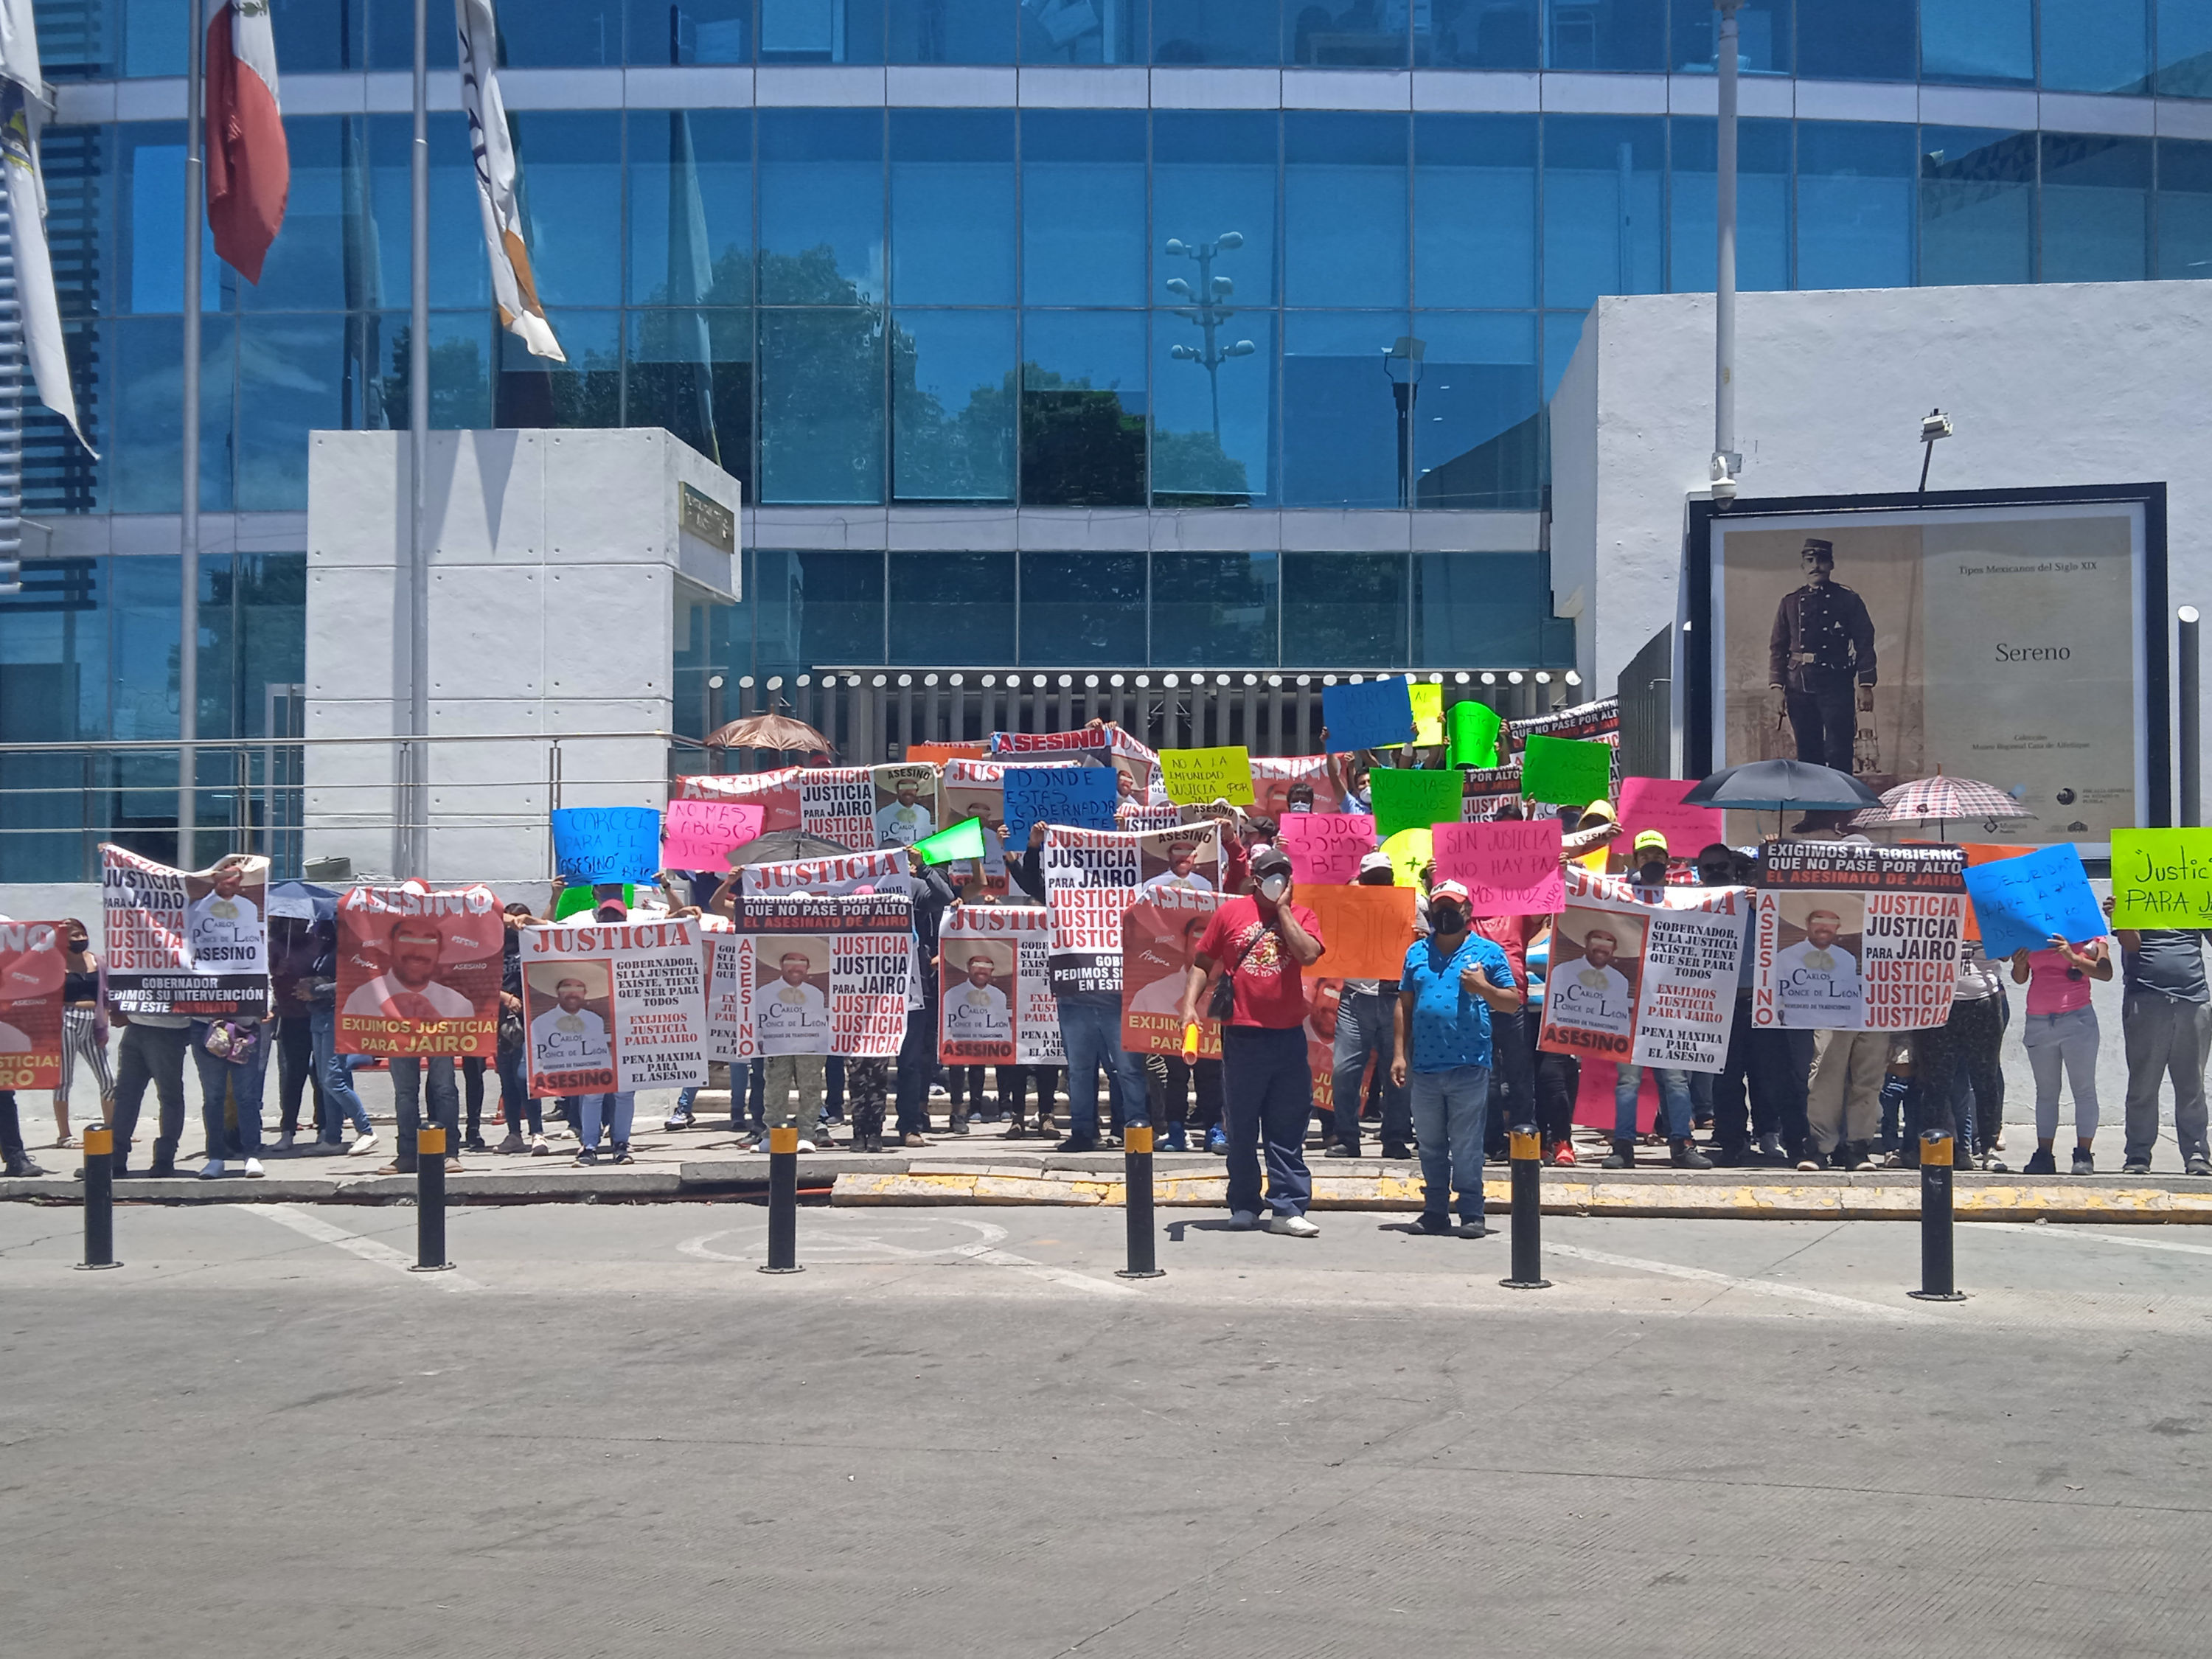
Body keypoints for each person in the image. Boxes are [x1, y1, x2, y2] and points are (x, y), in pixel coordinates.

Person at [1178, 845, 1328, 1236]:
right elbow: (1202, 962)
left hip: (1288, 1036)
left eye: (1283, 872)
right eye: (1270, 873)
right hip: (1242, 1034)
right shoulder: (1230, 913)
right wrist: (1189, 1007)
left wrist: (1282, 911)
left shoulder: (1302, 915)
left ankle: (1287, 1207)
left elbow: (1309, 955)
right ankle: (1244, 1203)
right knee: (1242, 1126)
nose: (1277, 879)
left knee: (1287, 1125)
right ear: (1255, 879)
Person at [1391, 879, 1520, 1237]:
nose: (1446, 913)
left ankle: (1471, 1211)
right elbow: (1404, 1004)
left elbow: (1511, 1002)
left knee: (1465, 1143)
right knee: (1430, 1143)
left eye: (1454, 907)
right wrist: (1399, 1054)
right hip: (1426, 1066)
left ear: (1468, 911)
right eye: (1440, 907)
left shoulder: (1488, 953)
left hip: (1469, 1063)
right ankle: (1434, 1210)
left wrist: (1484, 988)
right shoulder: (1416, 953)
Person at [1011, 823, 1147, 1153]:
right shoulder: (1065, 896)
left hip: (1118, 996)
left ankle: (1135, 1129)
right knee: (1080, 1070)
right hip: (1075, 995)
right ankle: (1083, 1132)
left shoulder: (1130, 895)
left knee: (1128, 1070)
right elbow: (1034, 885)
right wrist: (1033, 849)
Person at [1607, 832, 1711, 1171]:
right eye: (1645, 855)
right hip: (1629, 1004)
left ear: (1668, 860)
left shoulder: (1684, 898)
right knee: (1628, 1081)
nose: (1652, 860)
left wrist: (1744, 897)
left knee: (1676, 1080)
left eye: (1658, 854)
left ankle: (1681, 1143)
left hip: (1670, 1006)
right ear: (1634, 860)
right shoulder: (1619, 897)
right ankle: (1623, 1146)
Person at [2109, 901, 2212, 1176]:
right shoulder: (2132, 894)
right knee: (2143, 1083)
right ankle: (2138, 1155)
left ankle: (2197, 1155)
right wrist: (2122, 917)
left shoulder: (2193, 893)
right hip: (2146, 999)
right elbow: (2131, 945)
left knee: (2192, 1085)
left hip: (2193, 1000)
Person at [1767, 536, 1876, 775]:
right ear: (1803, 567)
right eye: (1810, 560)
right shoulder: (1790, 603)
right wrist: (1777, 689)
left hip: (1837, 686)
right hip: (1799, 687)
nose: (1816, 565)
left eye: (1822, 560)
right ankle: (1814, 810)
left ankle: (1842, 809)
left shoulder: (1848, 600)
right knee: (1808, 753)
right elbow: (1778, 648)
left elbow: (1865, 642)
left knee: (1839, 750)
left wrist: (1865, 684)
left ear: (1832, 565)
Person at [1329, 850, 1413, 1160]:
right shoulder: (1346, 904)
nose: (1378, 885)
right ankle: (1347, 1137)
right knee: (1344, 1071)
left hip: (1396, 999)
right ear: (1361, 881)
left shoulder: (1412, 903)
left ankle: (1394, 1138)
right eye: (1371, 880)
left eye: (1383, 879)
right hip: (1355, 997)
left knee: (1399, 1073)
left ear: (1392, 881)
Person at [2012, 931, 2111, 1175]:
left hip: (2077, 1018)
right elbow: (2020, 978)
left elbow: (2105, 973)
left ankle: (2083, 1154)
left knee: (2083, 1088)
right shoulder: (2031, 928)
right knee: (2046, 1092)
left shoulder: (2088, 931)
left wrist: (2072, 956)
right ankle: (2044, 1153)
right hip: (2038, 1019)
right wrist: (2020, 963)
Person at [343, 917, 477, 1020]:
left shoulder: (459, 1005)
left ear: (440, 950)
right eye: (406, 938)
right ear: (391, 944)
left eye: (428, 941)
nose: (417, 951)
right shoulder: (361, 998)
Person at [189, 1015, 269, 1178]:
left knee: (247, 1096)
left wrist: (266, 1006)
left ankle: (252, 1155)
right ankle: (216, 1157)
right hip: (205, 1025)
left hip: (244, 1029)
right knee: (213, 1097)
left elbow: (264, 990)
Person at [52, 918, 108, 1150]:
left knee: (109, 1079)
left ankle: (112, 1128)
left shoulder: (98, 961)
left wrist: (104, 1023)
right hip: (68, 1020)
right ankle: (64, 1135)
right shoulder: (55, 963)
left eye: (82, 934)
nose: (80, 939)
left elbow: (105, 993)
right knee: (64, 1080)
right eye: (74, 936)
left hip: (93, 1021)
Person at [185, 858, 265, 970]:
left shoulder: (248, 906)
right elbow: (188, 941)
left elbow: (254, 940)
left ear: (240, 879)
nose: (231, 880)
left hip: (240, 971)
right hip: (208, 972)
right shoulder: (197, 908)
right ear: (215, 878)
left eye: (236, 875)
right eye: (226, 876)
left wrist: (260, 971)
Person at [1140, 839, 1215, 897]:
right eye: (1178, 851)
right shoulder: (1152, 886)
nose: (1184, 856)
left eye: (1189, 852)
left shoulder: (1204, 885)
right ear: (1169, 854)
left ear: (1195, 856)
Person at [874, 775, 934, 846]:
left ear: (917, 790)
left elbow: (927, 842)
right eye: (903, 786)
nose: (908, 791)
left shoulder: (925, 813)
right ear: (897, 790)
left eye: (912, 786)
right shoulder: (882, 814)